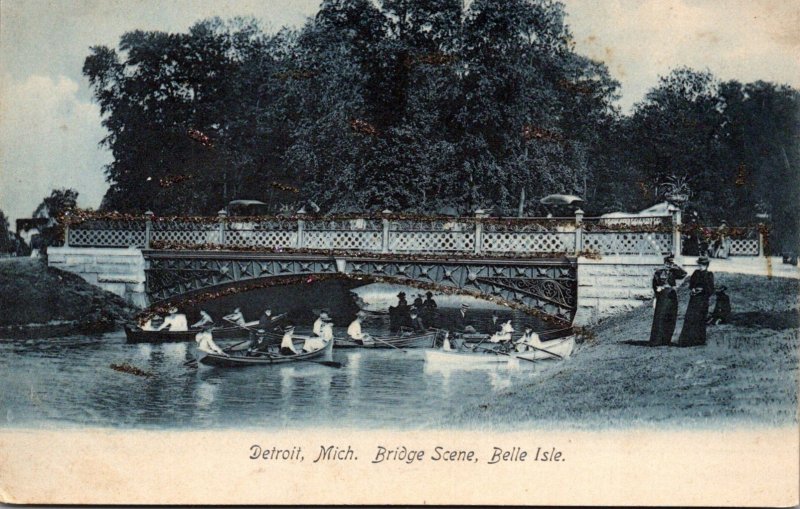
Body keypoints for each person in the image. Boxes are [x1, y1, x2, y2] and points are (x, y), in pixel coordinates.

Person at [649, 254, 688, 346]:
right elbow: (654, 284)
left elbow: (684, 274)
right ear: (664, 263)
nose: (668, 265)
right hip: (662, 296)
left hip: (671, 296)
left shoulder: (673, 272)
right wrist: (657, 292)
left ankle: (666, 340)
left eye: (670, 263)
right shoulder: (658, 272)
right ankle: (657, 340)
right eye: (667, 263)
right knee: (660, 317)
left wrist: (676, 266)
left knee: (670, 317)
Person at [678, 256, 715, 346]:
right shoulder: (696, 273)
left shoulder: (709, 274)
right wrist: (693, 289)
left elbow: (710, 289)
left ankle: (699, 341)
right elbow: (691, 284)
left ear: (707, 265)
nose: (701, 266)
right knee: (690, 318)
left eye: (703, 264)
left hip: (702, 300)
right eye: (700, 264)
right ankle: (687, 340)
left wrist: (702, 290)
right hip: (694, 299)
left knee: (700, 319)